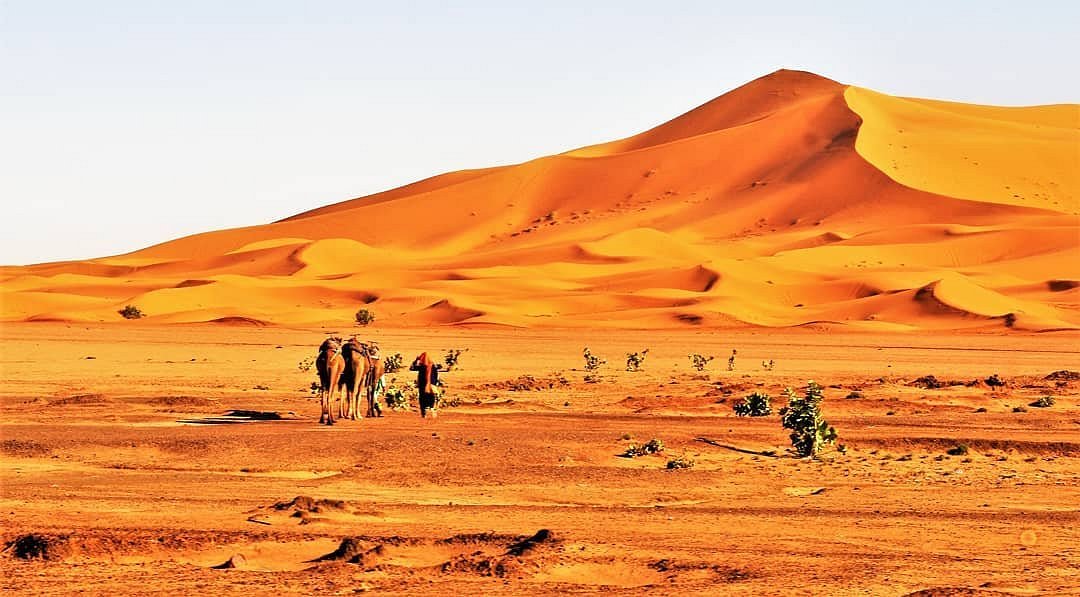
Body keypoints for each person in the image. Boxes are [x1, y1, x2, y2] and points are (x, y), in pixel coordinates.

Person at [410, 352, 442, 418]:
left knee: (422, 399)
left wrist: (416, 360)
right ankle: (431, 411)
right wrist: (434, 384)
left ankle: (424, 413)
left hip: (422, 386)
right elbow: (436, 376)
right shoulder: (433, 366)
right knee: (431, 397)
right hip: (431, 385)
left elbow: (412, 368)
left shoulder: (422, 367)